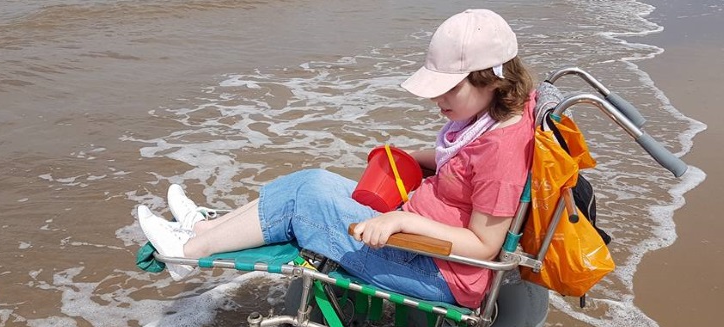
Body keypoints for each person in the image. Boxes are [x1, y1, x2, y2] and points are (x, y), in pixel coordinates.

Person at [137, 9, 535, 309]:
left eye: (448, 89)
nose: (437, 99)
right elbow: (466, 167)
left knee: (304, 200)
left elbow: (484, 246)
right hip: (422, 241)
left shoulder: (502, 151)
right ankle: (202, 229)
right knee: (310, 180)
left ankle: (185, 255)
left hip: (439, 271)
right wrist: (411, 158)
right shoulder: (494, 118)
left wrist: (401, 219)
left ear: (491, 78)